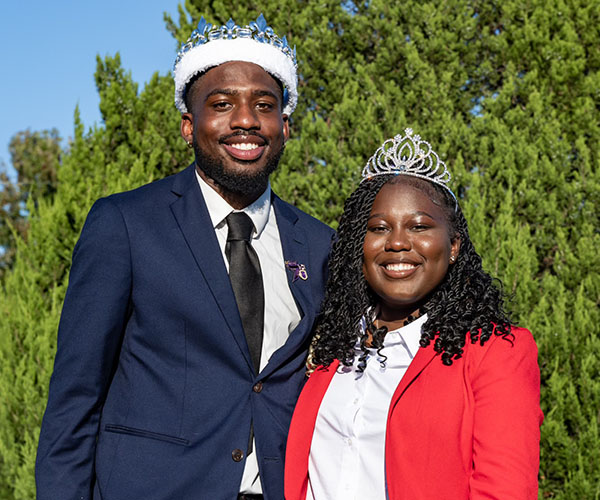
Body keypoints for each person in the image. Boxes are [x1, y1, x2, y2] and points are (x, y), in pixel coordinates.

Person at [35, 15, 333, 500]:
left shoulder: (320, 245)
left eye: (264, 105)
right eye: (221, 105)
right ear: (188, 126)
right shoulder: (125, 224)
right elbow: (76, 399)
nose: (245, 120)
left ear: (285, 126)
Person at [284, 128, 543, 500]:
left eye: (420, 226)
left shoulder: (496, 351)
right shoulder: (331, 345)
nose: (398, 243)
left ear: (453, 246)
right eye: (378, 228)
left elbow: (505, 491)